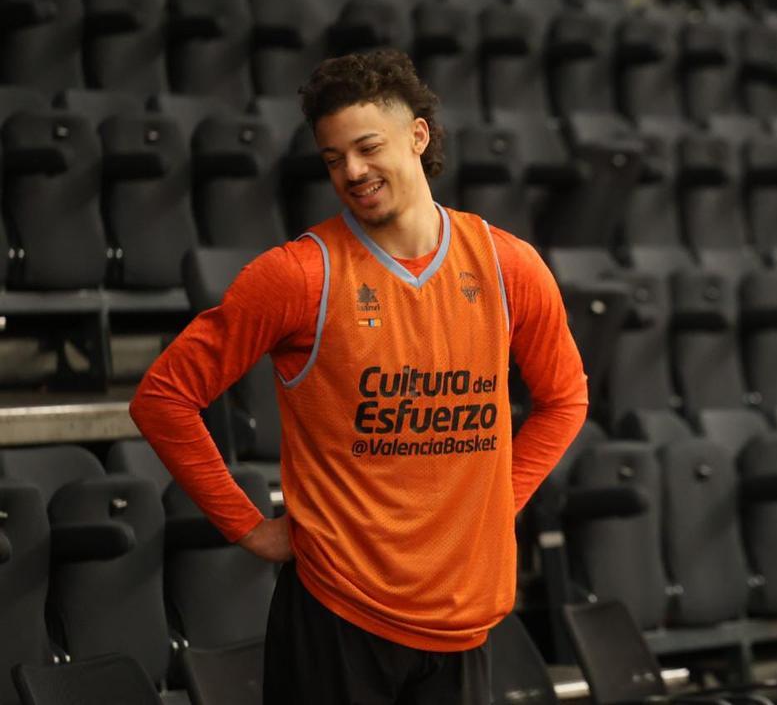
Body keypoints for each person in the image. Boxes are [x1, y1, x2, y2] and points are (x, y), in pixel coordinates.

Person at [130, 49, 589, 704]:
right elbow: (163, 398)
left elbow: (565, 399)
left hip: (463, 622)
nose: (352, 171)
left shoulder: (509, 266)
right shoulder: (296, 275)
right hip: (336, 614)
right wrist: (249, 525)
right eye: (332, 158)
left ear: (419, 135)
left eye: (368, 147)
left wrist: (497, 503)